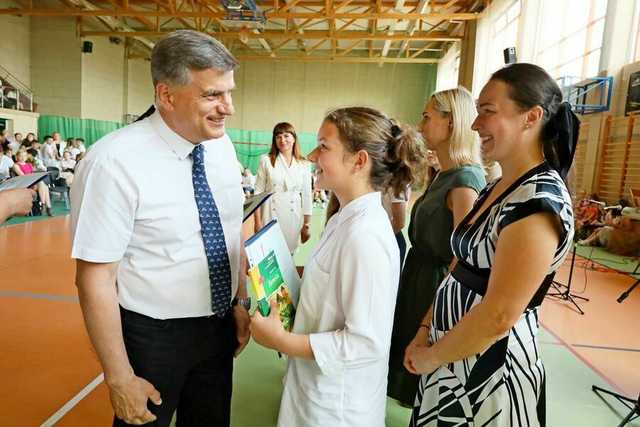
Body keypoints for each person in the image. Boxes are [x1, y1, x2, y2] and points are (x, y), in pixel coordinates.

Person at [70, 30, 250, 427]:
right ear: (167, 96)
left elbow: (230, 231)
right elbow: (95, 279)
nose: (228, 108)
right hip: (153, 337)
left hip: (217, 326)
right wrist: (118, 377)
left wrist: (240, 303)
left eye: (229, 92)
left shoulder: (221, 146)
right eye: (212, 95)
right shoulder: (113, 163)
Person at [405, 63, 576, 426]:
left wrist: (433, 357)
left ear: (532, 117)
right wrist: (425, 330)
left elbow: (500, 315)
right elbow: (459, 268)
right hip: (449, 356)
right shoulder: (494, 188)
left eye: (488, 111)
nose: (475, 123)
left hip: (488, 372)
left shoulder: (538, 200)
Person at [250, 107, 426, 427]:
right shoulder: (344, 218)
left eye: (324, 146)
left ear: (359, 161)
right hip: (314, 390)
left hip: (337, 407)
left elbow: (363, 342)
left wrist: (279, 340)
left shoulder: (365, 236)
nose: (314, 155)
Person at [387, 87, 486, 406]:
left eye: (428, 117)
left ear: (452, 123)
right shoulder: (445, 174)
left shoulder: (464, 181)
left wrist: (436, 310)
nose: (420, 125)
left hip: (435, 283)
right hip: (417, 275)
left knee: (421, 371)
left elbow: (464, 255)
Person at [254, 122, 313, 253]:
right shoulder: (266, 160)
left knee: (288, 255)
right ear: (274, 140)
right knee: (269, 255)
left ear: (294, 138)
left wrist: (306, 224)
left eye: (286, 136)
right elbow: (257, 192)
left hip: (294, 216)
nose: (282, 140)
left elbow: (307, 195)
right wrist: (257, 222)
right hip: (270, 214)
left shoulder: (304, 164)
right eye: (278, 136)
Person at [13, 150, 53, 216]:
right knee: (42, 183)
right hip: (24, 184)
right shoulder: (16, 165)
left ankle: (44, 205)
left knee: (43, 184)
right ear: (17, 157)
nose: (23, 158)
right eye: (21, 156)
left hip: (33, 182)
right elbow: (23, 176)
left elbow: (33, 173)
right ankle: (47, 207)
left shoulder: (29, 164)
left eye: (24, 156)